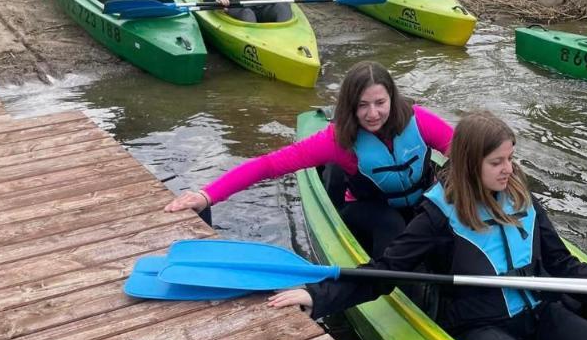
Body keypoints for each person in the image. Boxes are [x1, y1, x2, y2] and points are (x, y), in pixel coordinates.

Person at [268, 112, 587, 340]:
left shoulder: (522, 198)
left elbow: (561, 265)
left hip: (541, 315)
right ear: (472, 164)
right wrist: (317, 297)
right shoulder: (438, 216)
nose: (509, 169)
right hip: (483, 326)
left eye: (510, 158)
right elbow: (387, 271)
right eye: (497, 162)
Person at [165, 61, 452, 255]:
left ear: (392, 97)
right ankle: (399, 294)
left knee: (448, 224)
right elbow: (269, 165)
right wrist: (208, 195)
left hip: (420, 202)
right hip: (369, 211)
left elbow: (468, 152)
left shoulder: (419, 120)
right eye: (362, 105)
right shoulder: (336, 140)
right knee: (392, 226)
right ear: (349, 106)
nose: (373, 113)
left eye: (380, 103)